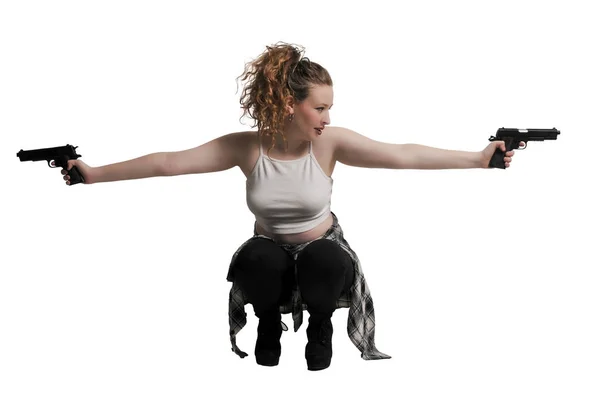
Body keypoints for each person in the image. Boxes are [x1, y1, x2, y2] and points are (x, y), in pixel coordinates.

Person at [58, 42, 523, 371]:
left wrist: (479, 160)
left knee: (323, 256)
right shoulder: (247, 147)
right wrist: (93, 173)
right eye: (319, 108)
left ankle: (320, 327)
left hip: (322, 250)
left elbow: (403, 154)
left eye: (330, 108)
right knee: (257, 256)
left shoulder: (330, 144)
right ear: (288, 103)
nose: (327, 118)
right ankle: (267, 325)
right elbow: (168, 164)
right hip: (271, 254)